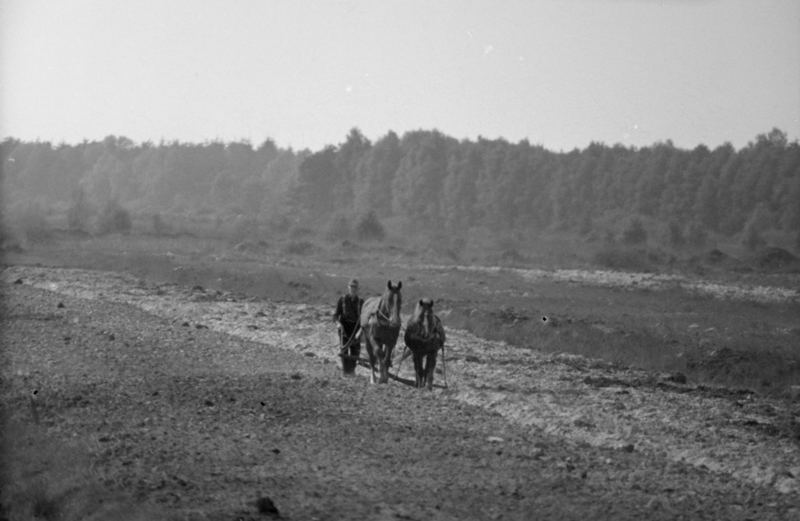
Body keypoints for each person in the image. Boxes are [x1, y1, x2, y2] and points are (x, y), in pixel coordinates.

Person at [333, 279, 364, 376]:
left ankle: (351, 370)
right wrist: (338, 324)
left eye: (355, 287)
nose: (353, 289)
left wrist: (360, 330)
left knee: (355, 351)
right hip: (344, 328)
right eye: (351, 287)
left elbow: (364, 319)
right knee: (344, 350)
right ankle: (345, 371)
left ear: (358, 289)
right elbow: (335, 315)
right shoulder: (342, 300)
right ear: (348, 287)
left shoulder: (361, 302)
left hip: (356, 328)